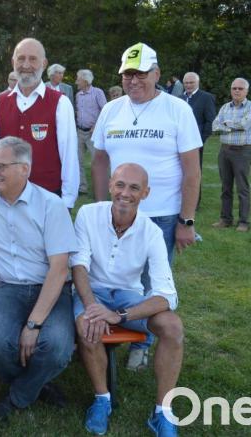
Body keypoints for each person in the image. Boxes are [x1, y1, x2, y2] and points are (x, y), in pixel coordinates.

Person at [90, 42, 200, 371]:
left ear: (157, 74)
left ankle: (144, 343)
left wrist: (187, 220)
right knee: (112, 276)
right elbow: (99, 161)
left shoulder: (177, 110)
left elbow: (192, 170)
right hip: (118, 214)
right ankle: (106, 330)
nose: (133, 80)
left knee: (152, 284)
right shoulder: (112, 110)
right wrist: (101, 207)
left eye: (140, 74)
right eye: (127, 75)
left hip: (161, 215)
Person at [72, 163, 184, 437]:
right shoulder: (88, 214)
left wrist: (119, 316)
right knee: (87, 324)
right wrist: (92, 308)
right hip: (91, 291)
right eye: (120, 185)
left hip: (127, 297)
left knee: (172, 326)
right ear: (110, 185)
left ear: (145, 193)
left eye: (134, 188)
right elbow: (79, 266)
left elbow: (167, 295)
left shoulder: (152, 232)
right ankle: (102, 400)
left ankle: (162, 412)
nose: (125, 193)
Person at [0, 136, 77, 420]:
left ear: (24, 169)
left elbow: (59, 269)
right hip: (9, 288)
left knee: (56, 347)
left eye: (1, 166)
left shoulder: (51, 205)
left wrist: (33, 325)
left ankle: (17, 396)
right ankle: (40, 385)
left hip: (50, 287)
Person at [0, 38, 79, 209]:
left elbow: (69, 156)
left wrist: (67, 201)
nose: (26, 65)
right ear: (13, 62)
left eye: (33, 59)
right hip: (5, 199)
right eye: (21, 58)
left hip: (47, 199)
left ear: (44, 63)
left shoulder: (60, 103)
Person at [211, 77, 251, 232]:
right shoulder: (225, 107)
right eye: (234, 88)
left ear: (246, 91)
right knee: (225, 187)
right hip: (224, 150)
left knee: (242, 188)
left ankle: (244, 222)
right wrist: (231, 126)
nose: (237, 91)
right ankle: (225, 219)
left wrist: (226, 124)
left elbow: (245, 124)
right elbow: (215, 126)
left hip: (242, 151)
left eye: (240, 88)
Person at [182, 72, 216, 209]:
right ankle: (180, 200)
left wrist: (199, 141)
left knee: (194, 173)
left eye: (191, 83)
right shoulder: (179, 98)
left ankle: (194, 203)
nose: (188, 85)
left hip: (195, 144)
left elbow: (210, 121)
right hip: (178, 143)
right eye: (186, 83)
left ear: (197, 83)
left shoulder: (206, 98)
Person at [74, 68, 108, 195]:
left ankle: (100, 188)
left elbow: (105, 111)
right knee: (78, 160)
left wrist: (96, 126)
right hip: (79, 132)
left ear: (85, 81)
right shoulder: (78, 95)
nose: (76, 82)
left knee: (98, 162)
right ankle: (82, 188)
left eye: (78, 80)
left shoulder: (98, 92)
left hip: (93, 133)